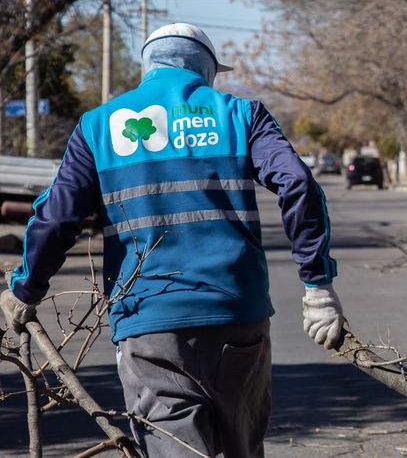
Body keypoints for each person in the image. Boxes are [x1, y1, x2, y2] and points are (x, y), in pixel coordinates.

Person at [0, 23, 343, 457]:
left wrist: (26, 288)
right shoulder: (240, 114)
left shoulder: (99, 127)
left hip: (150, 325)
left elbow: (58, 215)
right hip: (238, 317)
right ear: (205, 67)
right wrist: (318, 285)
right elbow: (299, 183)